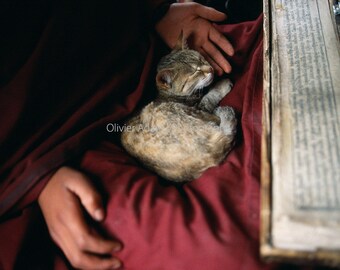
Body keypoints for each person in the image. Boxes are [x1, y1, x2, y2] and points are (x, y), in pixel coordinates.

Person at [0, 1, 235, 269]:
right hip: (40, 149)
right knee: (206, 249)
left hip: (130, 46)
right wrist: (32, 179)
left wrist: (153, 10)